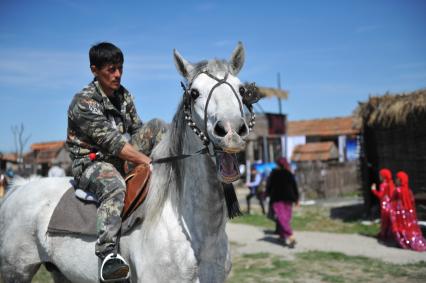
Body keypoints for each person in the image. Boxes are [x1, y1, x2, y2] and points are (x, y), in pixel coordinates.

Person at [67, 42, 167, 280]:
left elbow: (138, 130)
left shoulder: (124, 95)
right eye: (111, 69)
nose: (118, 74)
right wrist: (148, 161)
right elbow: (114, 143)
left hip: (122, 159)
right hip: (92, 164)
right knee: (115, 187)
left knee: (159, 126)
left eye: (120, 68)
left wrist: (160, 155)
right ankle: (107, 255)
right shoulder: (84, 101)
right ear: (94, 70)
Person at [266, 157, 299, 248]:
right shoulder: (289, 173)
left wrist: (267, 194)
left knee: (282, 218)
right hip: (288, 199)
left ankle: (290, 235)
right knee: (285, 218)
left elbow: (269, 185)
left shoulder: (274, 173)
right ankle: (282, 236)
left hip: (277, 198)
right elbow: (295, 186)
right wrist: (296, 198)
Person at [390, 171, 426, 252]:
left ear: (400, 180)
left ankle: (403, 242)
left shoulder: (397, 190)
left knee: (401, 229)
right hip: (409, 214)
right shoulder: (409, 191)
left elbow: (392, 201)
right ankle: (412, 241)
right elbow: (412, 202)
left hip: (399, 214)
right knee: (410, 229)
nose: (395, 180)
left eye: (397, 178)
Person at [371, 168, 394, 240]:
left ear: (384, 176)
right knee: (390, 222)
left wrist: (373, 190)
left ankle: (384, 235)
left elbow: (380, 195)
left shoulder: (383, 185)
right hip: (390, 205)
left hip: (385, 206)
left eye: (380, 175)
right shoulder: (390, 184)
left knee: (384, 222)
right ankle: (390, 235)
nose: (379, 177)